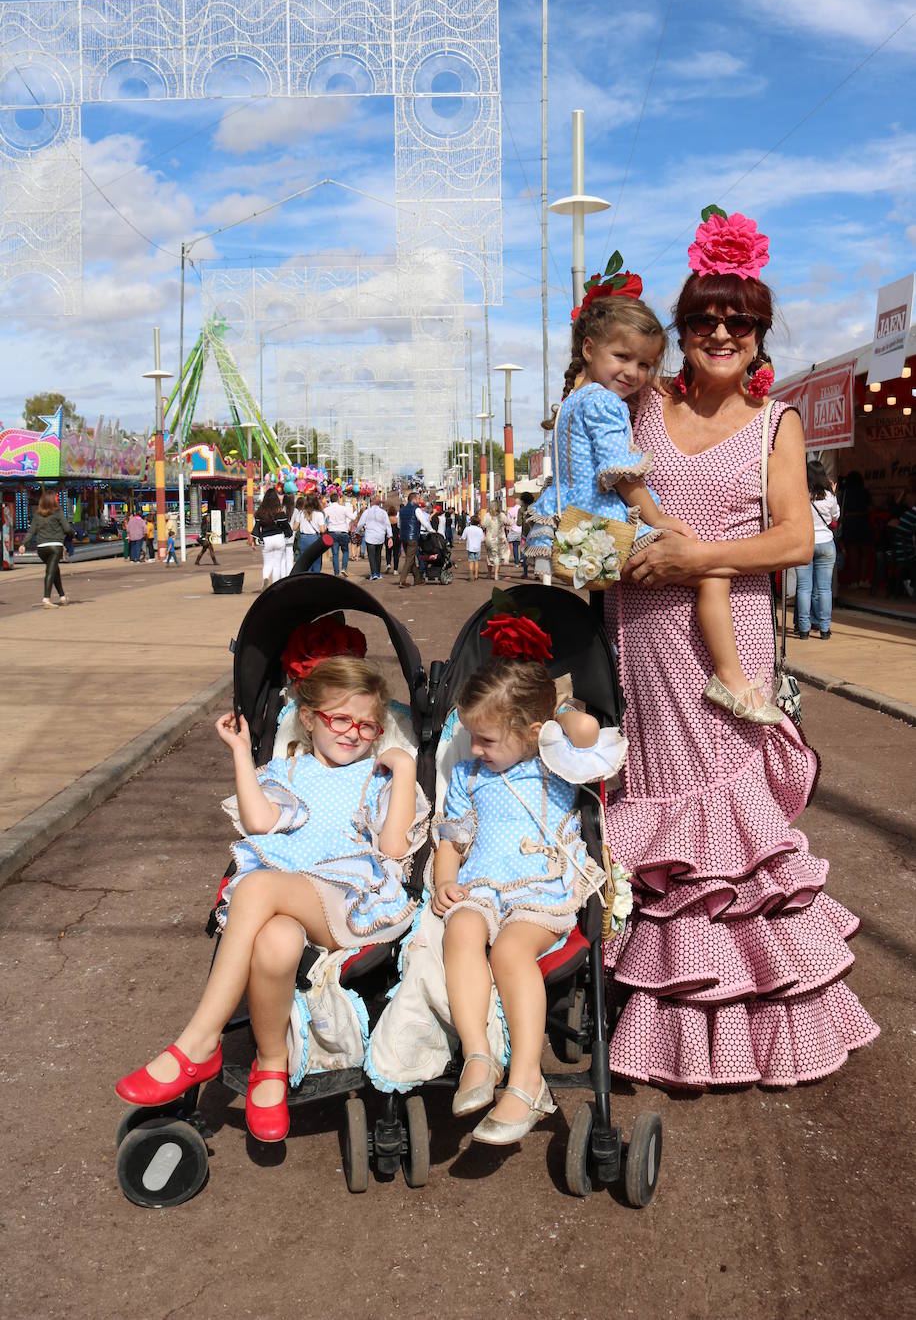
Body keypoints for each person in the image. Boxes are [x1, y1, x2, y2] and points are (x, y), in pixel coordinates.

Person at [602, 207, 878, 1088]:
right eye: (703, 319)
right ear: (678, 332)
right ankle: (662, 1021)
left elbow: (795, 539)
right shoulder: (640, 406)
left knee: (730, 838)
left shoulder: (778, 422)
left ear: (758, 332)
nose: (722, 332)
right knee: (659, 818)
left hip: (730, 645)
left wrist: (697, 556)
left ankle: (763, 1027)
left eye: (740, 319)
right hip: (641, 639)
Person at [115, 620, 428, 1143]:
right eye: (339, 719)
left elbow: (395, 849)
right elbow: (259, 822)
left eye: (367, 725)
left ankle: (199, 1042)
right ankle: (270, 1066)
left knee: (258, 886)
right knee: (276, 943)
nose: (353, 732)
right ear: (307, 718)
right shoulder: (289, 772)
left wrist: (403, 768)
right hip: (291, 899)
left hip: (350, 904)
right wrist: (241, 752)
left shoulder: (374, 776)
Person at [531, 264, 778, 722]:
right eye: (623, 358)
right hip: (602, 526)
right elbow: (622, 475)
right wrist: (659, 520)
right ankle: (731, 676)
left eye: (644, 364)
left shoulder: (572, 401)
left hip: (566, 525)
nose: (635, 373)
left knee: (697, 563)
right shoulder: (609, 403)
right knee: (711, 572)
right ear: (590, 348)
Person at [432, 646, 619, 1144]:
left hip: (541, 883)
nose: (474, 749)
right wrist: (443, 880)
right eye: (472, 737)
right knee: (460, 932)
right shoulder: (470, 776)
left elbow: (584, 731)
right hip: (483, 882)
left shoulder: (556, 761)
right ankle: (478, 1053)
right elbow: (451, 839)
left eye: (486, 739)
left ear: (532, 734)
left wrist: (550, 714)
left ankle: (525, 1081)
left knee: (511, 951)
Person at [794, 460, 840, 640]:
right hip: (826, 544)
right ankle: (825, 629)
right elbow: (835, 517)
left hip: (805, 543)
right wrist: (834, 494)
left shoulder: (800, 495)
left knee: (804, 588)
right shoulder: (829, 496)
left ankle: (804, 630)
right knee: (824, 589)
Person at [18, 490, 74, 607]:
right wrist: (72, 535)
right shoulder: (57, 512)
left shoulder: (37, 514)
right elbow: (67, 528)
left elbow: (31, 531)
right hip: (55, 547)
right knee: (50, 571)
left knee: (54, 570)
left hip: (41, 548)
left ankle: (62, 597)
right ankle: (46, 598)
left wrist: (23, 544)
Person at [249, 490, 291, 590]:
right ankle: (275, 586)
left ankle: (265, 579)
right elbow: (286, 526)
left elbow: (256, 528)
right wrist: (288, 534)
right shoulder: (280, 512)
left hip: (266, 539)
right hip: (279, 539)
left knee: (267, 563)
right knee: (277, 564)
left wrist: (254, 541)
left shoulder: (260, 513)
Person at [837, 471, 872, 589]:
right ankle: (863, 579)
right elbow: (870, 507)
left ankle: (854, 581)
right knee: (865, 553)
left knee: (853, 554)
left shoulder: (845, 493)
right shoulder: (864, 492)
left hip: (849, 522)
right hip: (862, 521)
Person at [397, 490, 431, 588]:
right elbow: (424, 521)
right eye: (418, 498)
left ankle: (417, 579)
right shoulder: (417, 509)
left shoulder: (402, 510)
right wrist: (431, 530)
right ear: (415, 499)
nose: (419, 500)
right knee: (409, 559)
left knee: (410, 558)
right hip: (413, 537)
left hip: (403, 537)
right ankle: (402, 581)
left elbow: (399, 524)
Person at [357, 494, 392, 581]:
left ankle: (373, 573)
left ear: (371, 502)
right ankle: (378, 573)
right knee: (378, 555)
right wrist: (390, 536)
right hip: (380, 536)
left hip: (370, 536)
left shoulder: (367, 512)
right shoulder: (383, 512)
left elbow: (360, 523)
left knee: (371, 556)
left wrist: (357, 531)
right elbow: (388, 525)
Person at [324, 488, 355, 578]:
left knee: (335, 554)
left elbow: (323, 520)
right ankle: (344, 568)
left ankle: (336, 573)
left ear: (330, 500)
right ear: (338, 500)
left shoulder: (327, 509)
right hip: (343, 532)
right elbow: (352, 517)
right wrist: (355, 509)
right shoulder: (343, 508)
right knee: (345, 551)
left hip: (332, 532)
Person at [480, 498, 511, 582]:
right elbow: (508, 522)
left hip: (489, 538)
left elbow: (483, 525)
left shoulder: (487, 515)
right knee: (498, 556)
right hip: (500, 539)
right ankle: (496, 575)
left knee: (489, 556)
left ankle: (489, 574)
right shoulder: (501, 515)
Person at [297, 492, 327, 573]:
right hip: (314, 538)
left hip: (303, 539)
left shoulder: (301, 513)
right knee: (316, 561)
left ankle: (307, 580)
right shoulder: (319, 514)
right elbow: (322, 530)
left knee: (305, 563)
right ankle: (316, 581)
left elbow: (294, 527)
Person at [462, 512, 483, 581]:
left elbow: (463, 537)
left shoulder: (467, 528)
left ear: (471, 521)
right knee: (476, 561)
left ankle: (471, 575)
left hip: (470, 547)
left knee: (471, 561)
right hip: (477, 547)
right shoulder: (480, 529)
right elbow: (482, 539)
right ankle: (476, 575)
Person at [386, 503, 400, 573]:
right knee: (396, 554)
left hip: (388, 537)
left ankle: (388, 563)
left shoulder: (387, 519)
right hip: (396, 537)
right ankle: (395, 569)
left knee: (388, 552)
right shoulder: (397, 519)